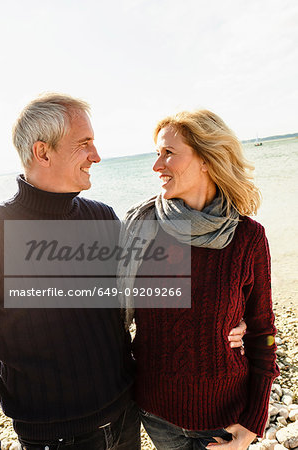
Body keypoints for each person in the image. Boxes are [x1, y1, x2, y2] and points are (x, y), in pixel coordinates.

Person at [119, 110, 280, 449]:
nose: (157, 166)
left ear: (207, 159)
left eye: (169, 153)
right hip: (155, 414)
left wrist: (254, 421)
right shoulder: (142, 229)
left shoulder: (248, 238)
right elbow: (110, 318)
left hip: (225, 420)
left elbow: (263, 332)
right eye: (157, 153)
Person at [0, 94, 140, 449]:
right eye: (84, 144)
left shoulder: (103, 216)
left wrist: (227, 321)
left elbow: (142, 299)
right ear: (43, 153)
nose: (97, 155)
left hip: (124, 414)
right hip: (54, 434)